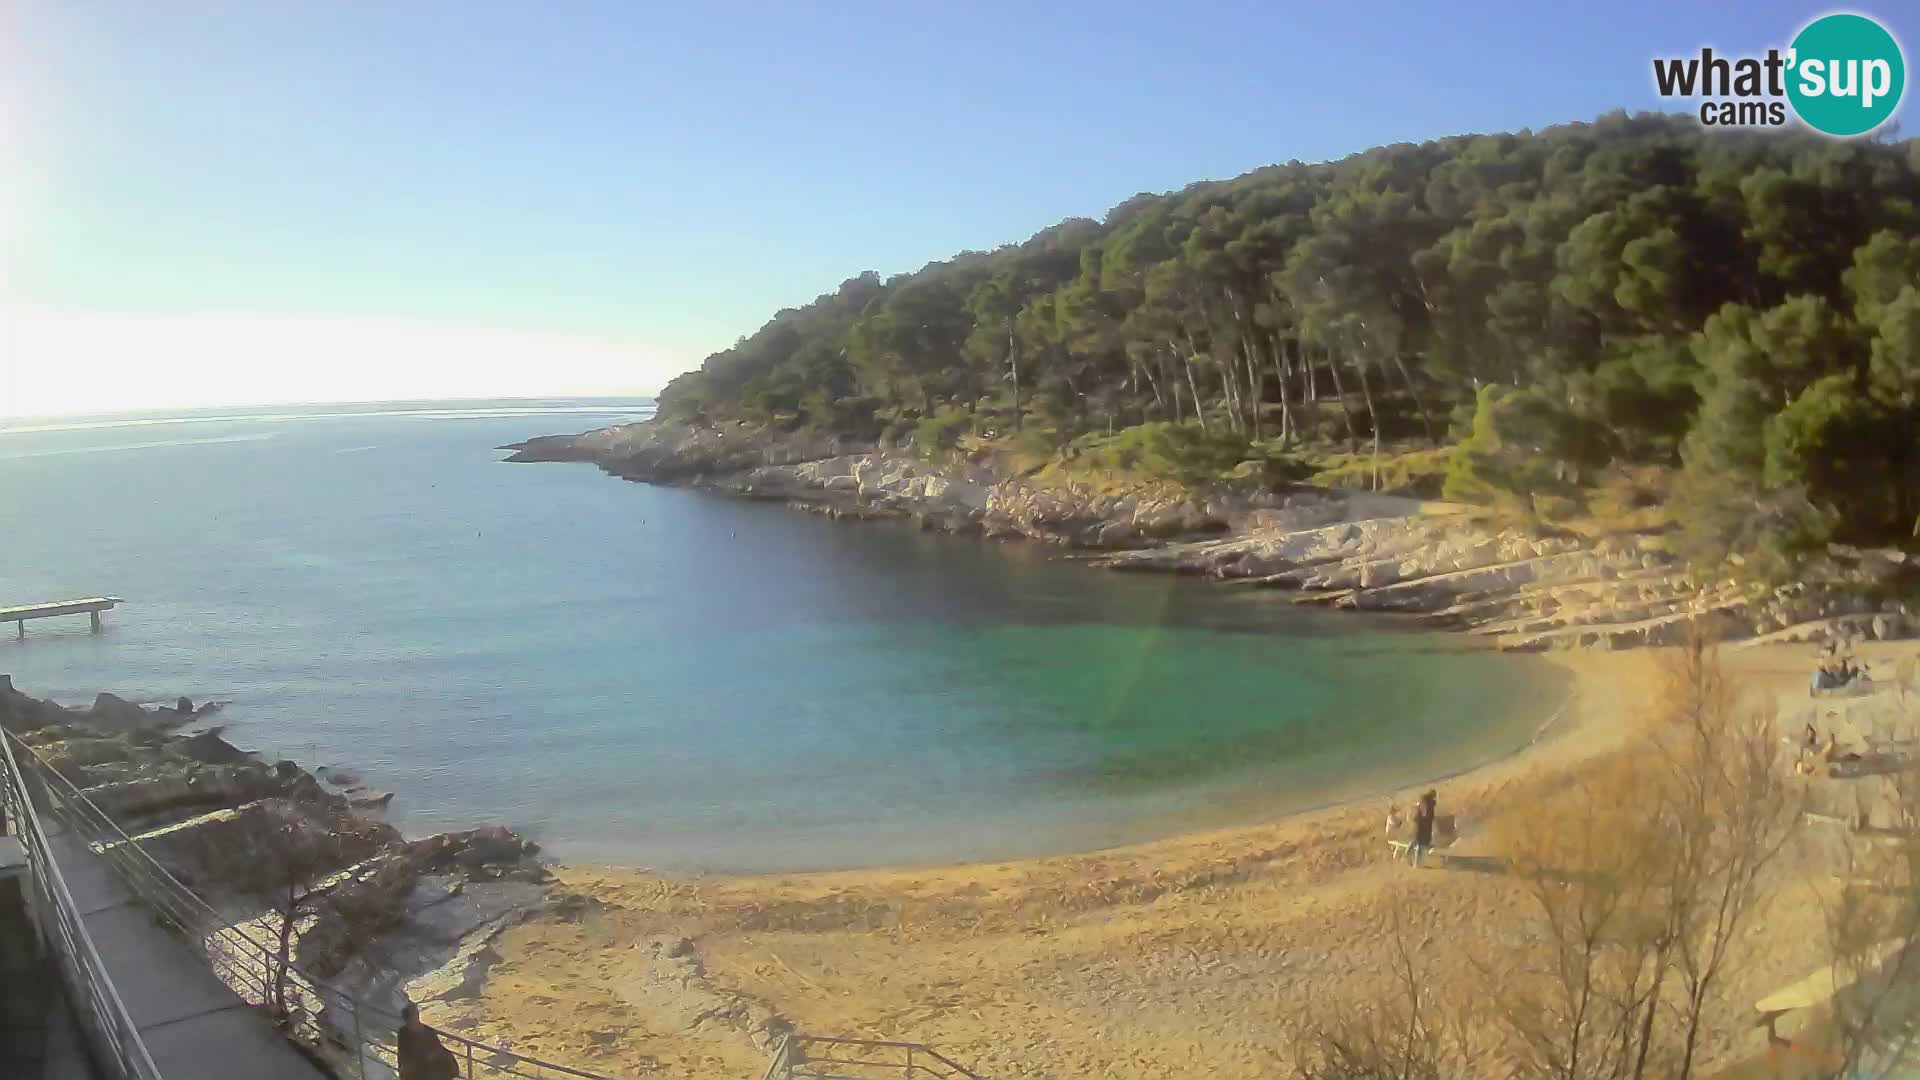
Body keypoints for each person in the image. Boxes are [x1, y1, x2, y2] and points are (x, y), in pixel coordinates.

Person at [397, 1002, 459, 1080]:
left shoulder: (427, 1031)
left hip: (428, 1068)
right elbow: (407, 1057)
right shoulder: (405, 1034)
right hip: (421, 1071)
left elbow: (437, 1048)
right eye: (415, 1013)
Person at [1410, 790, 1437, 867]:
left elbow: (1420, 812)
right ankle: (1417, 863)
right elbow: (1426, 815)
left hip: (1421, 824)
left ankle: (1410, 859)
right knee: (1420, 843)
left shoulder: (1424, 803)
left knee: (1417, 841)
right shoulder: (1427, 804)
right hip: (1423, 825)